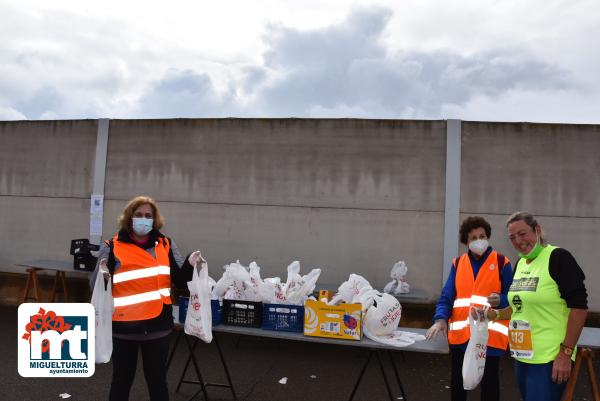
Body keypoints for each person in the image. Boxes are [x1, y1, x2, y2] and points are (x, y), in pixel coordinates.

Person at [90, 196, 204, 401]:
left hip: (157, 327)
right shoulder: (112, 247)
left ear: (155, 220)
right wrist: (104, 277)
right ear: (129, 218)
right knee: (121, 381)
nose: (144, 219)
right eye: (139, 215)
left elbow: (179, 280)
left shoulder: (166, 245)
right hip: (123, 328)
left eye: (148, 216)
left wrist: (190, 263)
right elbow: (95, 286)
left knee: (158, 382)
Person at [480, 211, 588, 401]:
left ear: (537, 230)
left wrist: (565, 353)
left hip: (549, 357)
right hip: (522, 355)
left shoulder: (558, 258)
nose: (518, 241)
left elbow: (579, 308)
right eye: (512, 237)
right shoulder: (521, 263)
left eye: (522, 234)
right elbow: (518, 307)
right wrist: (495, 315)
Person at [426, 216, 513, 401]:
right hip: (462, 337)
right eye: (473, 237)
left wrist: (502, 299)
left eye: (482, 236)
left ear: (488, 237)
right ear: (466, 241)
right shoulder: (458, 264)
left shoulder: (501, 263)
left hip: (489, 336)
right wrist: (440, 319)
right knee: (458, 382)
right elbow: (446, 297)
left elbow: (514, 298)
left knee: (489, 383)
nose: (478, 240)